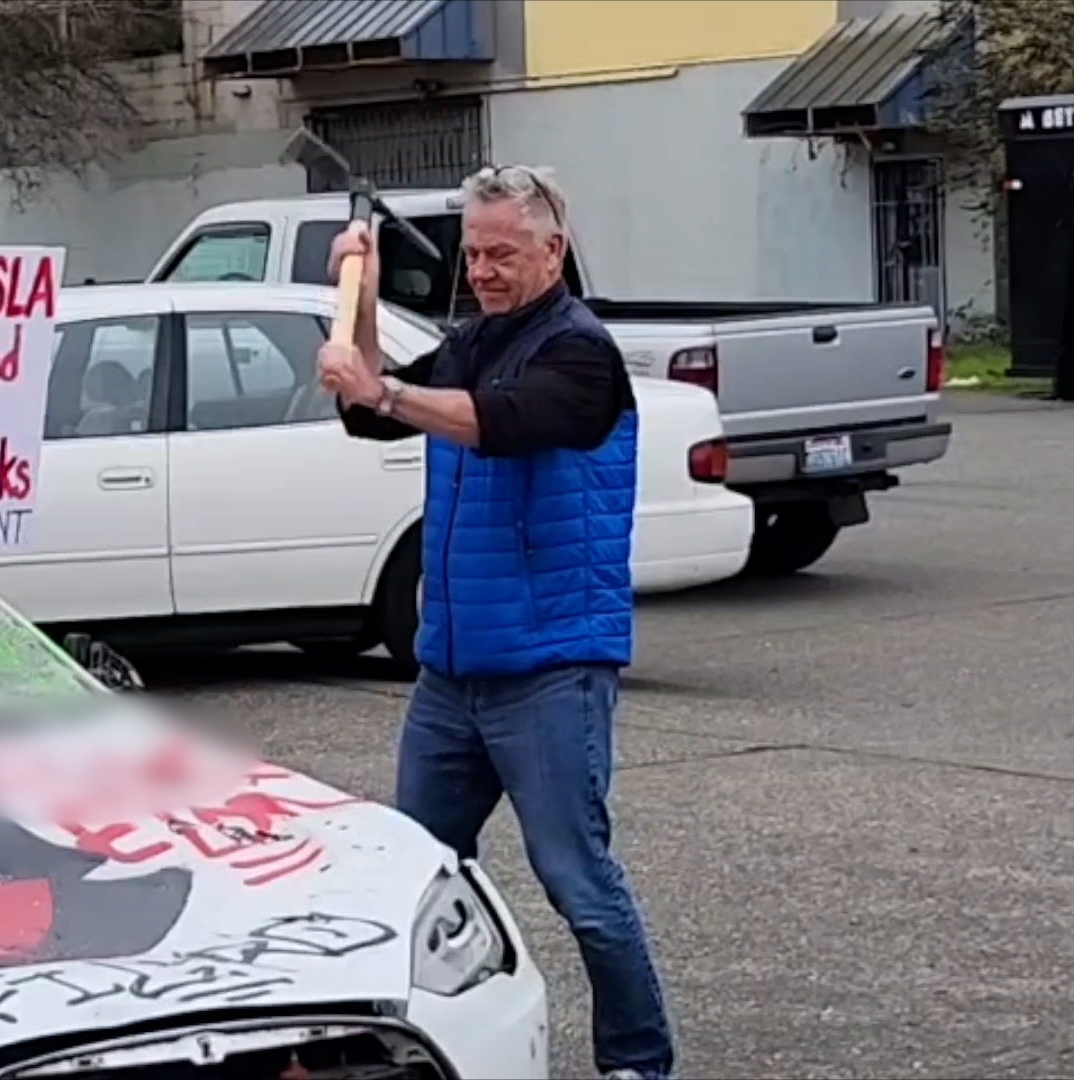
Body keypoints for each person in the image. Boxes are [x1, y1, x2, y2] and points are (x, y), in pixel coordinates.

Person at [315, 166, 675, 1080]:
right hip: (451, 673)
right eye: (473, 253)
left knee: (578, 882)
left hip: (550, 668)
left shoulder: (580, 353)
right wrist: (358, 304)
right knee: (411, 877)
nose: (482, 270)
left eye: (502, 254)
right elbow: (368, 413)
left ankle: (639, 1060)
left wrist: (383, 391)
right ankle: (416, 1050)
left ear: (553, 250)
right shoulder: (472, 341)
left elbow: (496, 422)